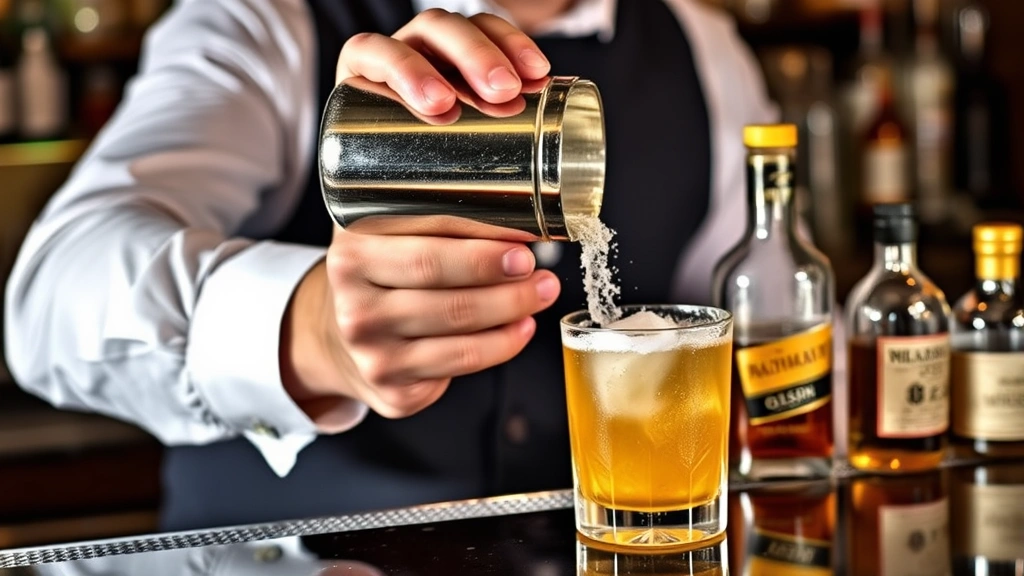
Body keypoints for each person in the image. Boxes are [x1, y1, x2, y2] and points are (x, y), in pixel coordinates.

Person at [4, 0, 778, 530]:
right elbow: (49, 301)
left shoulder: (706, 51)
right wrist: (310, 330)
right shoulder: (265, 22)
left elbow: (762, 323)